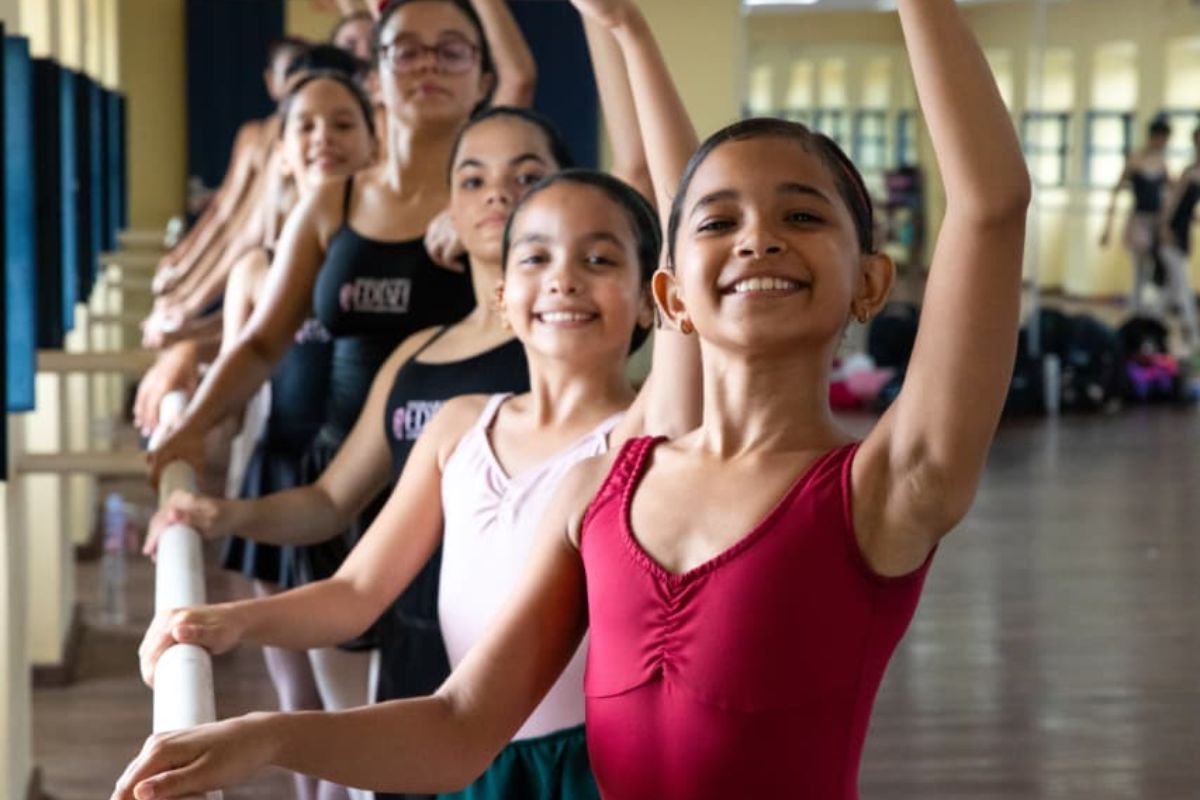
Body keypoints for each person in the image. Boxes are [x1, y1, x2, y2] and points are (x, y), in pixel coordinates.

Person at [113, 0, 1029, 796]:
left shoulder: (887, 486)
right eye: (718, 221)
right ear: (673, 293)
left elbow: (989, 206)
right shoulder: (604, 487)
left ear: (870, 282)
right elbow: (460, 723)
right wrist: (261, 737)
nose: (757, 240)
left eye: (802, 216)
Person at [145, 0, 538, 733]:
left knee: (470, 715)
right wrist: (189, 429)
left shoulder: (506, 208)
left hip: (475, 491)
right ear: (376, 73)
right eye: (406, 51)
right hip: (348, 483)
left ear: (483, 76)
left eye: (450, 51)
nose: (426, 65)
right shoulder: (335, 200)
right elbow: (263, 339)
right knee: (349, 719)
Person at [213, 71, 377, 800]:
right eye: (306, 127)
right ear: (280, 153)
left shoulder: (393, 256)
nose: (324, 140)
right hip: (283, 474)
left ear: (376, 141)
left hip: (367, 477)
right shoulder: (255, 265)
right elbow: (237, 365)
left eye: (344, 124)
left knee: (360, 702)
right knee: (296, 697)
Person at [1101, 117, 1172, 315]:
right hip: (1138, 220)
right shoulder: (1135, 159)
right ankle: (1136, 311)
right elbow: (1116, 190)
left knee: (1155, 269)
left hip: (1156, 221)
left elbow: (1171, 192)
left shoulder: (1162, 162)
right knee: (1139, 270)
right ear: (1155, 137)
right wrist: (1107, 227)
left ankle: (1146, 312)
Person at [1158, 122, 1200, 355]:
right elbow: (1173, 201)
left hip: (1183, 234)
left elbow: (1189, 208)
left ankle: (1149, 322)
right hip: (1172, 234)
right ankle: (1194, 337)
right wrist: (1164, 228)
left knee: (1170, 290)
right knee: (1182, 288)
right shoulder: (1188, 172)